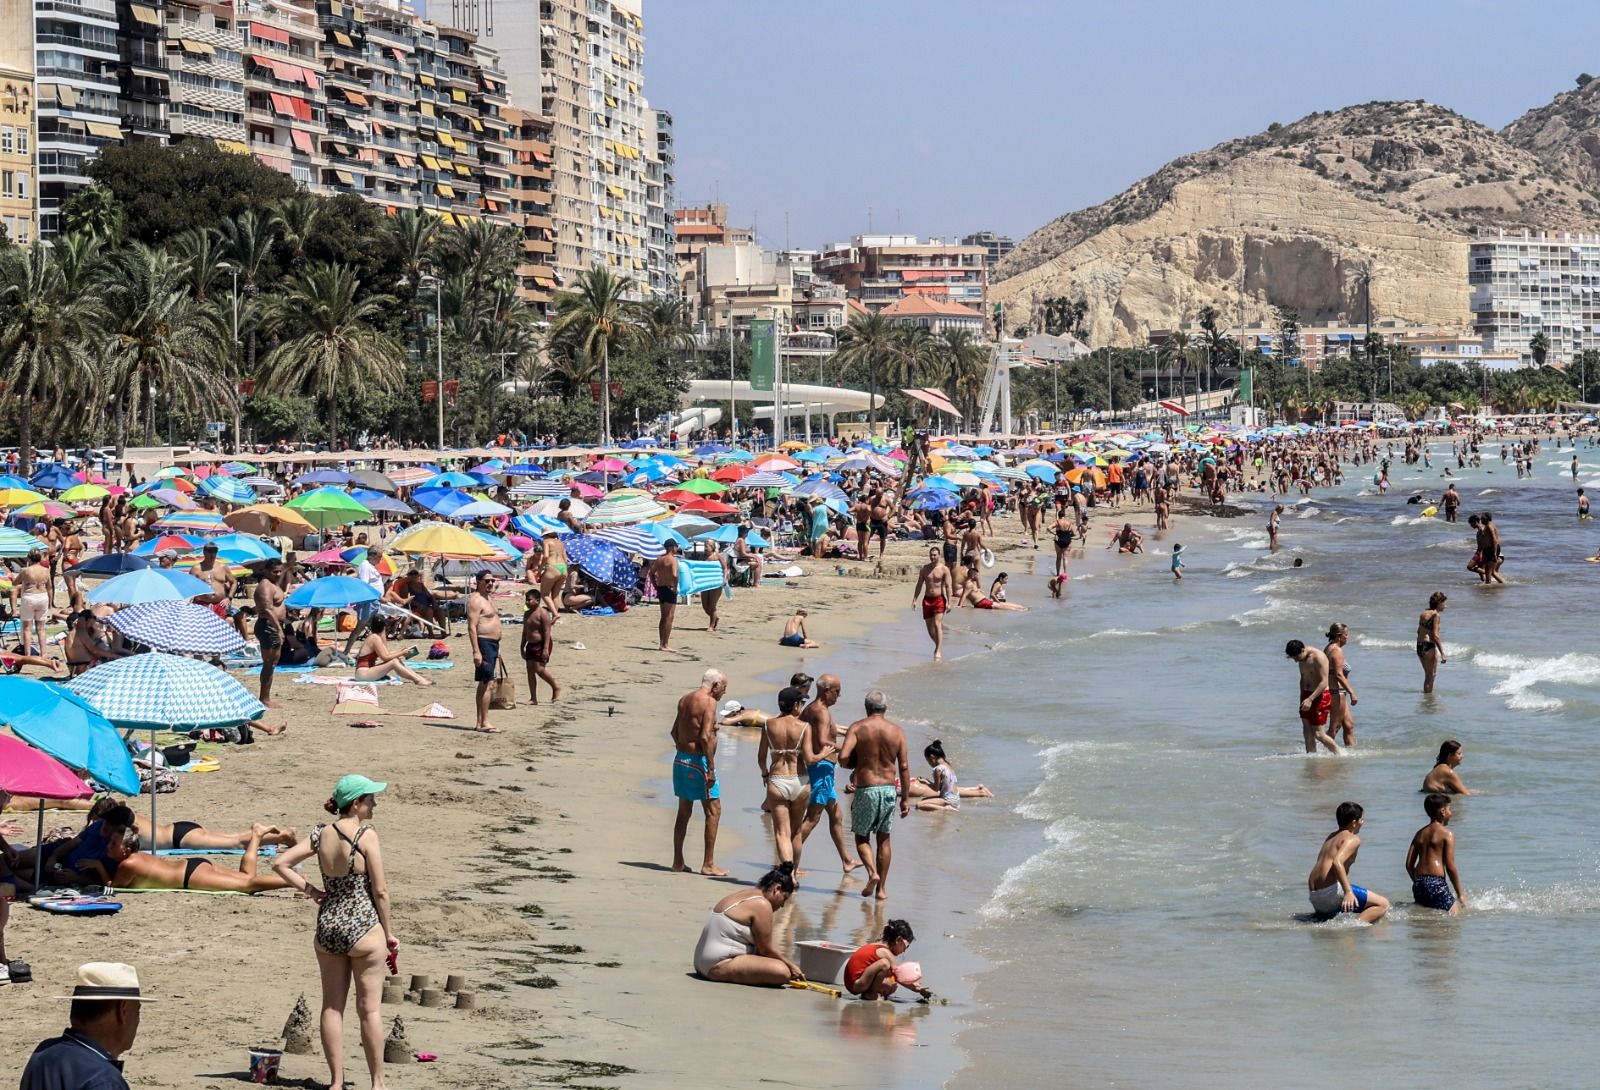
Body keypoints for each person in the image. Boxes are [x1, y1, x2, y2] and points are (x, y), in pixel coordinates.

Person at [272, 775, 399, 1090]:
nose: (375, 804)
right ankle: (377, 1083)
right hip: (363, 926)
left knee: (332, 1007)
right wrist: (389, 932)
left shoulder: (320, 833)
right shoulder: (366, 835)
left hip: (328, 925)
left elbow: (280, 863)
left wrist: (312, 890)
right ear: (355, 804)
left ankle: (336, 1082)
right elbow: (380, 891)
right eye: (371, 799)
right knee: (369, 1009)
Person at [19, 962, 151, 1090]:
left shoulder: (44, 1052)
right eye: (137, 1011)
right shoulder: (104, 1080)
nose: (137, 1021)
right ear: (123, 1010)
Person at [838, 689, 910, 901]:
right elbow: (904, 767)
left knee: (861, 836)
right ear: (885, 708)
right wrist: (905, 798)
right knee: (884, 839)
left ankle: (872, 873)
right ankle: (882, 890)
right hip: (888, 790)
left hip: (866, 789)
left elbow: (842, 758)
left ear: (867, 708)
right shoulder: (897, 731)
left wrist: (857, 762)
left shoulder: (858, 728)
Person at [690, 861, 803, 985]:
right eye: (784, 898)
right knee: (782, 972)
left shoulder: (745, 894)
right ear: (777, 888)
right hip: (716, 965)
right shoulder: (762, 904)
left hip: (700, 962)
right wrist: (791, 966)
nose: (782, 905)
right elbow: (765, 950)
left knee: (779, 965)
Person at [103, 824, 292, 893]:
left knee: (248, 884)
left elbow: (115, 886)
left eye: (114, 843)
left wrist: (97, 867)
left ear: (127, 849)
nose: (108, 846)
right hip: (192, 866)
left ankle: (296, 883)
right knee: (246, 877)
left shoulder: (129, 864)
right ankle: (257, 835)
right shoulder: (139, 856)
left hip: (190, 877)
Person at [796, 674, 860, 875]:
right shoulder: (821, 712)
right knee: (812, 818)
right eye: (837, 692)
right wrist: (846, 750)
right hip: (821, 768)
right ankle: (788, 861)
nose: (838, 696)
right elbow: (824, 740)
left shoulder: (812, 709)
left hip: (822, 769)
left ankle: (847, 860)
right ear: (827, 691)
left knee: (837, 815)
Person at [670, 669, 728, 876]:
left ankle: (678, 861)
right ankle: (708, 864)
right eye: (723, 688)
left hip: (681, 760)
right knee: (714, 810)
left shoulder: (685, 699)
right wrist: (710, 768)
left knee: (684, 811)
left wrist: (684, 748)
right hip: (698, 762)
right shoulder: (709, 702)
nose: (723, 694)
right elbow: (704, 737)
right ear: (715, 686)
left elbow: (675, 731)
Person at [1306, 801, 1390, 923]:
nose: (1363, 822)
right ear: (1354, 823)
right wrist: (1348, 892)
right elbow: (1337, 862)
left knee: (1358, 906)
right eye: (1361, 819)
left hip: (1314, 895)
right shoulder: (1353, 839)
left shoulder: (1331, 836)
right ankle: (1353, 927)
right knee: (1383, 904)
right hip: (1330, 892)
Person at [758, 686, 811, 865]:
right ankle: (794, 873)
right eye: (801, 703)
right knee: (796, 832)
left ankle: (787, 872)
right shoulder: (804, 727)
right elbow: (809, 758)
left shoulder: (768, 725)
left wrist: (765, 773)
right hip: (800, 779)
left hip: (777, 779)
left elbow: (760, 757)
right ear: (795, 705)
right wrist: (824, 755)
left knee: (781, 832)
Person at [844, 919, 931, 1001]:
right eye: (906, 946)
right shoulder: (886, 953)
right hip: (857, 984)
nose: (904, 950)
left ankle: (870, 992)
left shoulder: (877, 945)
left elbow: (893, 975)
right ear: (898, 940)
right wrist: (916, 988)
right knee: (885, 965)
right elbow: (899, 975)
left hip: (853, 983)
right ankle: (871, 994)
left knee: (891, 980)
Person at [1407, 793, 1466, 915]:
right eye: (1450, 809)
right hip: (1436, 882)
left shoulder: (1419, 834)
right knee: (1456, 917)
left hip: (1418, 883)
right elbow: (1450, 866)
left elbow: (1408, 864)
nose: (1451, 813)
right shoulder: (1447, 834)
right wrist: (1460, 893)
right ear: (1443, 811)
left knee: (1428, 916)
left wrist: (1419, 882)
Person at [1285, 639, 1339, 754]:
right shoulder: (1301, 657)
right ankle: (1311, 758)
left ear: (1303, 650)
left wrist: (1310, 699)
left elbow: (1324, 682)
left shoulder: (1318, 657)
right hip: (1306, 695)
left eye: (1297, 658)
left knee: (1319, 734)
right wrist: (1302, 697)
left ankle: (1339, 754)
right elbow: (1303, 678)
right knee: (1307, 732)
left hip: (1320, 697)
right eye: (1293, 658)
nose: (1296, 661)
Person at [909, 739, 993, 811]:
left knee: (919, 804)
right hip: (956, 799)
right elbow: (944, 786)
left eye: (928, 761)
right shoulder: (949, 766)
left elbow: (936, 789)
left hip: (947, 800)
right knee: (925, 799)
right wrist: (927, 781)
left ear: (932, 757)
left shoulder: (937, 769)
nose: (929, 763)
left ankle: (945, 808)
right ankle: (946, 806)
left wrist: (925, 783)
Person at [466, 570, 502, 733]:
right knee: (488, 683)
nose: (490, 584)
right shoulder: (475, 600)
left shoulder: (488, 599)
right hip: (484, 643)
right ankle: (485, 721)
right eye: (487, 581)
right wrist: (476, 651)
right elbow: (472, 627)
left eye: (492, 581)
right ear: (478, 581)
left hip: (492, 645)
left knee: (484, 683)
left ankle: (480, 722)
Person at [352, 616, 433, 686]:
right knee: (394, 662)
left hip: (365, 672)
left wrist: (401, 652)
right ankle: (418, 680)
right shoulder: (374, 638)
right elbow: (385, 657)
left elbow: (386, 653)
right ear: (384, 627)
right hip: (363, 674)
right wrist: (401, 653)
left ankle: (419, 678)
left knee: (396, 660)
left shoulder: (374, 637)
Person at [255, 560, 288, 708]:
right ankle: (264, 698)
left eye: (280, 571)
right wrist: (279, 630)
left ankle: (265, 697)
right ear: (267, 571)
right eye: (275, 572)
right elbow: (268, 610)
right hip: (269, 626)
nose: (279, 574)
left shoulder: (273, 584)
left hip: (272, 626)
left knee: (271, 663)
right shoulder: (266, 586)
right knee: (269, 663)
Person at [911, 546, 953, 661]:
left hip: (939, 599)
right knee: (930, 629)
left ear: (939, 556)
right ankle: (938, 644)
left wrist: (949, 602)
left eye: (934, 555)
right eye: (931, 555)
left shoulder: (944, 569)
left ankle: (938, 650)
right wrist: (915, 599)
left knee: (937, 624)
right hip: (927, 600)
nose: (932, 557)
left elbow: (949, 587)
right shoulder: (925, 569)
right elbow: (919, 585)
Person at [519, 587, 559, 704]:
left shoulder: (543, 613)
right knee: (530, 670)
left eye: (529, 599)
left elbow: (547, 631)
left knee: (539, 669)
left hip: (541, 644)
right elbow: (525, 631)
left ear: (537, 600)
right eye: (526, 599)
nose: (527, 601)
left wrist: (546, 649)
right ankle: (533, 698)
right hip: (530, 644)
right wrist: (522, 646)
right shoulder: (526, 614)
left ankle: (555, 687)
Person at [1324, 622, 1358, 747]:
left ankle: (1351, 753)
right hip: (1336, 692)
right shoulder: (1336, 650)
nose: (1347, 637)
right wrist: (1352, 692)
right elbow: (1339, 675)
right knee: (1335, 727)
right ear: (1339, 636)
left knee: (1348, 725)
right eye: (1346, 635)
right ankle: (1316, 751)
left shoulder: (1329, 647)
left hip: (1337, 691)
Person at [13, 548, 52, 656]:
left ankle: (28, 654)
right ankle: (43, 654)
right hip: (42, 596)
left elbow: (15, 583)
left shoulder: (25, 570)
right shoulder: (46, 570)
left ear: (29, 558)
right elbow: (50, 587)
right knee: (41, 628)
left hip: (29, 596)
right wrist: (50, 602)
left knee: (27, 628)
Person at [648, 540, 681, 652]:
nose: (677, 549)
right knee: (669, 617)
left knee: (663, 617)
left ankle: (662, 642)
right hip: (669, 588)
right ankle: (665, 644)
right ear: (672, 547)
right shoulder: (673, 560)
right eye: (676, 547)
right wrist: (675, 588)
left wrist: (656, 586)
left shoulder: (659, 559)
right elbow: (675, 575)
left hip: (661, 588)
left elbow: (651, 574)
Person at [1416, 591, 1448, 694]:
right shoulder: (1436, 616)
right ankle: (1428, 701)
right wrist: (1442, 653)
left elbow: (1418, 631)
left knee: (1428, 675)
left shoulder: (1423, 613)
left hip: (1419, 646)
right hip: (1428, 646)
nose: (1446, 606)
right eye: (1444, 603)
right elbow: (1435, 636)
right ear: (1439, 603)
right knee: (1431, 675)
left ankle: (1427, 698)